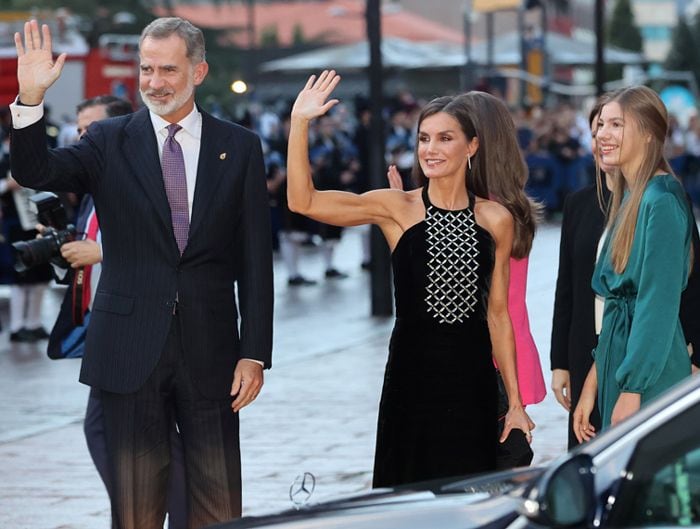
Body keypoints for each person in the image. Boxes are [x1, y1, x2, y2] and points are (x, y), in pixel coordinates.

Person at [10, 18, 273, 529]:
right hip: (127, 349)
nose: (154, 81)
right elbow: (35, 173)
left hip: (213, 350)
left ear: (199, 71)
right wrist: (30, 101)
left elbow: (255, 258)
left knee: (219, 504)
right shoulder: (108, 140)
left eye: (168, 69)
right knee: (136, 509)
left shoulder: (238, 146)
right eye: (146, 69)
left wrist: (255, 351)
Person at [287, 70, 534, 487]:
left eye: (444, 138)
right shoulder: (396, 207)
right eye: (424, 138)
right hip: (410, 380)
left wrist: (515, 404)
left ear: (472, 146)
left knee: (469, 502)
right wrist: (300, 124)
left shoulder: (496, 219)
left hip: (472, 384)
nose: (430, 149)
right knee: (406, 500)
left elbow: (497, 317)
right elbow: (302, 200)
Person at [44, 95, 187, 528]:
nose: (81, 139)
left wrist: (101, 251)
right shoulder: (96, 184)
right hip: (107, 329)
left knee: (118, 433)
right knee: (122, 434)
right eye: (79, 131)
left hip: (143, 328)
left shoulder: (154, 176)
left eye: (90, 130)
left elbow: (175, 244)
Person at [388, 91, 546, 467]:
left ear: (476, 142)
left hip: (483, 360)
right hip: (501, 356)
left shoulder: (485, 212)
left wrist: (406, 215)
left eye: (450, 134)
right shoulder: (508, 205)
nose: (437, 144)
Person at [573, 86, 695, 442]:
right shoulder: (631, 197)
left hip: (648, 372)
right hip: (623, 362)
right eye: (601, 126)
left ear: (647, 133)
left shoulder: (661, 201)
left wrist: (633, 389)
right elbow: (617, 309)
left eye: (616, 125)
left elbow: (657, 304)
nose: (602, 134)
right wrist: (592, 384)